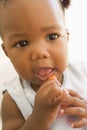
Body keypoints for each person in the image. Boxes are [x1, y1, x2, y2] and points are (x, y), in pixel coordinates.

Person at [0, 0, 87, 130]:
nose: (40, 53)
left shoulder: (83, 72)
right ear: (7, 52)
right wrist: (39, 119)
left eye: (52, 36)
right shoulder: (14, 100)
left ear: (66, 37)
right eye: (22, 43)